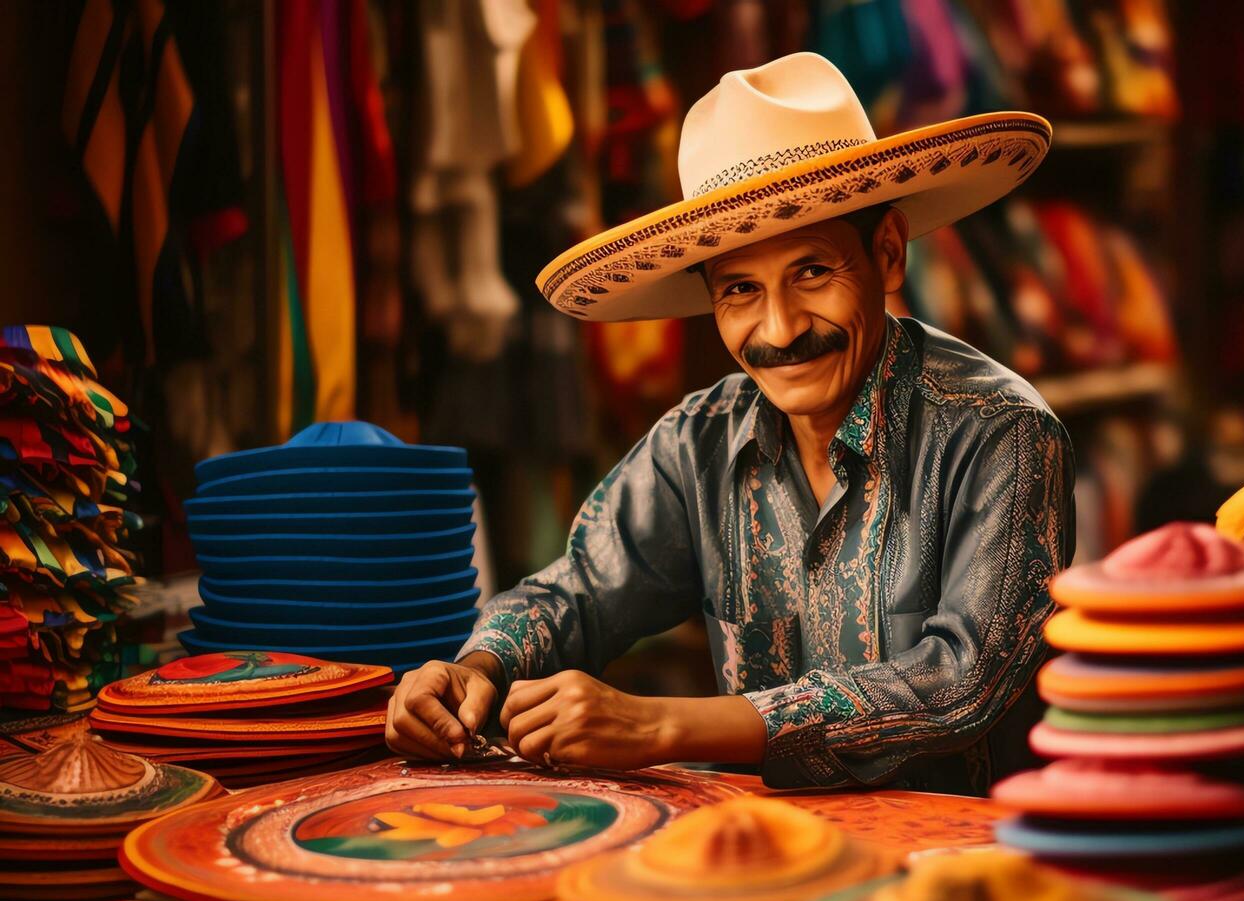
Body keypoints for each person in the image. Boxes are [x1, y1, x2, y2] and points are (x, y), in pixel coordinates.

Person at [386, 51, 1072, 794]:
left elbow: (958, 683)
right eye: (741, 290)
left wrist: (660, 727)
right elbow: (575, 592)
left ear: (886, 254)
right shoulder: (698, 443)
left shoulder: (998, 433)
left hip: (957, 880)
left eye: (812, 272)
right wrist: (474, 670)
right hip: (749, 862)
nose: (778, 328)